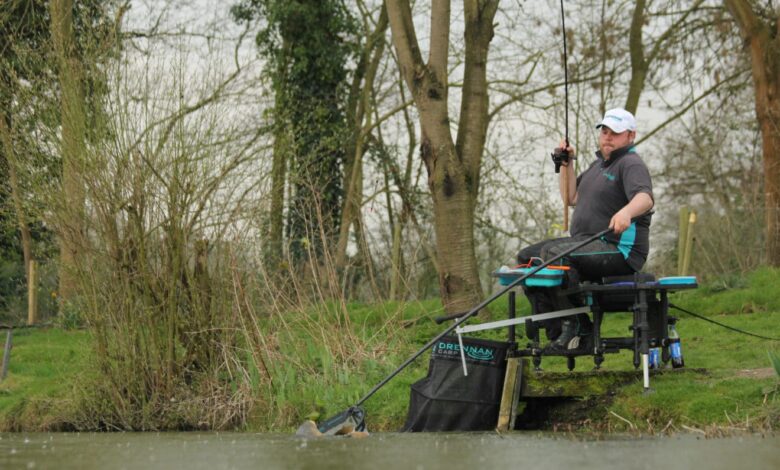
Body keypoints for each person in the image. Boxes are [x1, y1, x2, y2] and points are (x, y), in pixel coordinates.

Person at [517, 108, 654, 352]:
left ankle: (578, 325)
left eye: (615, 132)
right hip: (586, 242)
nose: (608, 137)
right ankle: (554, 327)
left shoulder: (630, 163)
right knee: (528, 258)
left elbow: (645, 198)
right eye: (604, 131)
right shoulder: (598, 165)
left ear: (630, 136)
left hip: (618, 250)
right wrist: (567, 164)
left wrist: (626, 212)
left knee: (556, 254)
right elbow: (571, 197)